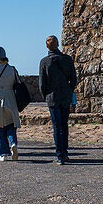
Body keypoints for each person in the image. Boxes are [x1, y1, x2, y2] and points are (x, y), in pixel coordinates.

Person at [39, 35, 77, 164]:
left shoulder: (44, 62)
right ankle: (65, 153)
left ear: (47, 46)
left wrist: (46, 96)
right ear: (58, 44)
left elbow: (42, 84)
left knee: (56, 126)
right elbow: (74, 79)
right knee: (64, 125)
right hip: (65, 96)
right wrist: (69, 90)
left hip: (52, 97)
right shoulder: (67, 59)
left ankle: (59, 155)